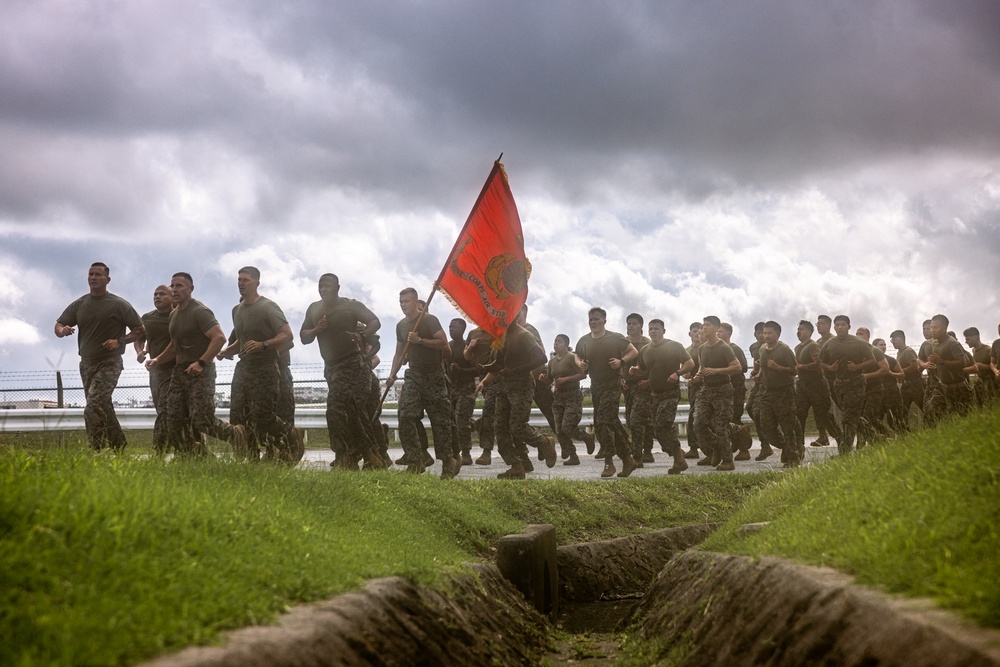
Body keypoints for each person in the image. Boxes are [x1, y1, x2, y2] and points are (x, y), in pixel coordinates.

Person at [146, 272, 247, 456]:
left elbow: (219, 338)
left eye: (179, 286)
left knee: (201, 419)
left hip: (201, 372)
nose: (175, 289)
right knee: (173, 419)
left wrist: (201, 362)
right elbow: (175, 345)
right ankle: (197, 457)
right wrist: (158, 359)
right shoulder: (174, 314)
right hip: (180, 371)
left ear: (190, 289)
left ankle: (235, 434)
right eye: (173, 285)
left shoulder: (200, 311)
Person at [55, 262, 144, 452]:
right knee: (102, 404)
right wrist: (63, 330)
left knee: (93, 404)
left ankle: (97, 449)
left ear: (107, 280)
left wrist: (120, 341)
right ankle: (119, 445)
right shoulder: (80, 304)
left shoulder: (119, 304)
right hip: (86, 364)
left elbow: (139, 330)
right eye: (91, 274)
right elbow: (59, 324)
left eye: (98, 275)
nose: (93, 278)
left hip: (110, 362)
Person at [218, 267, 304, 463]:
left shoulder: (268, 307)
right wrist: (226, 351)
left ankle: (292, 437)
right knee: (238, 416)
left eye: (245, 280)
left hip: (265, 366)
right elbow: (241, 340)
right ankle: (251, 459)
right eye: (239, 280)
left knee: (263, 415)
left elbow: (287, 335)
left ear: (256, 282)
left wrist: (263, 344)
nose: (241, 283)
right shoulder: (237, 310)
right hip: (243, 367)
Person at [300, 273, 384, 470]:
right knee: (353, 413)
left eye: (327, 286)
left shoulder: (350, 305)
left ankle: (344, 457)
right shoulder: (313, 309)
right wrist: (316, 329)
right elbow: (304, 337)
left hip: (352, 363)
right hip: (330, 367)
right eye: (320, 286)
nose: (323, 289)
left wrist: (362, 334)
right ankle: (371, 456)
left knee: (336, 408)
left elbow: (375, 322)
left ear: (337, 287)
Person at [387, 288, 460, 478]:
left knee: (440, 421)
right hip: (414, 374)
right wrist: (392, 374)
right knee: (405, 415)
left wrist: (420, 340)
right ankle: (415, 459)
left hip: (433, 375)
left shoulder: (429, 320)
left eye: (406, 301)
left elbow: (443, 344)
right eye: (400, 302)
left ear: (415, 302)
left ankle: (447, 462)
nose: (403, 305)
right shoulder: (401, 325)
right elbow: (399, 352)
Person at [476, 321, 557, 479]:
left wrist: (517, 370)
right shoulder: (502, 336)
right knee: (500, 428)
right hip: (504, 387)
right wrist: (486, 368)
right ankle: (516, 466)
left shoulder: (523, 335)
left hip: (522, 387)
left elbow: (541, 358)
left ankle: (544, 442)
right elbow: (499, 363)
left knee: (517, 427)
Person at [575, 307, 639, 478]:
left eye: (596, 319)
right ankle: (627, 458)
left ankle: (609, 462)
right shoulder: (584, 340)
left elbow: (633, 351)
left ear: (604, 320)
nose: (593, 322)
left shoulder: (615, 337)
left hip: (612, 384)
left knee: (603, 422)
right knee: (608, 422)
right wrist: (580, 364)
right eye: (590, 319)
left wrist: (621, 361)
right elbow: (577, 356)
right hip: (596, 386)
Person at [630, 319, 694, 474]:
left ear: (663, 331)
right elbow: (644, 369)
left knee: (662, 424)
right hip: (654, 394)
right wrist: (635, 371)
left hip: (670, 393)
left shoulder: (674, 346)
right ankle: (678, 457)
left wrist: (677, 373)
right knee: (659, 430)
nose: (653, 332)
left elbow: (690, 363)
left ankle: (678, 456)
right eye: (651, 329)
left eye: (656, 329)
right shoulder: (645, 350)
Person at [819, 315, 875, 455]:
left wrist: (857, 367)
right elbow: (821, 362)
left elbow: (872, 360)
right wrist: (830, 368)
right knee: (851, 415)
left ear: (849, 327)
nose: (839, 327)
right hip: (839, 384)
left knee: (848, 418)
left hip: (856, 382)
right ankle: (876, 437)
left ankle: (844, 452)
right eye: (837, 325)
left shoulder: (859, 342)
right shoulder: (829, 344)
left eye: (843, 324)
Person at [692, 316, 741, 471]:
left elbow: (737, 367)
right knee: (698, 423)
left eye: (707, 325)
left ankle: (728, 461)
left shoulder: (724, 348)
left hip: (722, 389)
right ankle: (715, 449)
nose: (703, 328)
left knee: (720, 426)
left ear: (716, 328)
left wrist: (715, 371)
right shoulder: (702, 348)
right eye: (703, 325)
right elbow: (702, 366)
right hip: (706, 389)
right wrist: (697, 376)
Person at [135, 284, 174, 453]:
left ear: (172, 297)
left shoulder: (178, 316)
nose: (157, 297)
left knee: (167, 410)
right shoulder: (148, 318)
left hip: (175, 369)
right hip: (155, 371)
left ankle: (159, 452)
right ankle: (195, 451)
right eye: (155, 294)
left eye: (162, 294)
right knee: (162, 410)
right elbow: (139, 336)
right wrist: (140, 351)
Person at [758, 321, 801, 467]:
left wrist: (778, 367)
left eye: (770, 333)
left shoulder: (784, 350)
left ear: (778, 334)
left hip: (785, 392)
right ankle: (787, 447)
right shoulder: (763, 349)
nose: (767, 336)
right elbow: (763, 368)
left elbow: (795, 370)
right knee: (766, 425)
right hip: (768, 392)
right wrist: (758, 374)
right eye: (765, 333)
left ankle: (792, 457)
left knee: (787, 426)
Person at [540, 334, 588, 466]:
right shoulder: (552, 362)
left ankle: (585, 437)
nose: (556, 344)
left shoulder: (572, 357)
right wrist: (544, 379)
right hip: (558, 397)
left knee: (567, 427)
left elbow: (583, 374)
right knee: (559, 429)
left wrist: (566, 379)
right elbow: (550, 380)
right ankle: (573, 455)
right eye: (555, 341)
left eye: (559, 342)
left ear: (566, 345)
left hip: (572, 395)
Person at [794, 319, 841, 453]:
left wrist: (802, 366)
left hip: (817, 385)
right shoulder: (797, 347)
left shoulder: (813, 346)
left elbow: (818, 363)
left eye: (802, 329)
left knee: (824, 415)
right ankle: (799, 445)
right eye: (798, 330)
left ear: (809, 332)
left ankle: (841, 441)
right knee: (799, 414)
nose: (799, 332)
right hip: (803, 385)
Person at [923, 314, 974, 417]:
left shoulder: (952, 343)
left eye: (936, 327)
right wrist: (933, 364)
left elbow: (963, 363)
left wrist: (941, 362)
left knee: (961, 418)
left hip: (958, 389)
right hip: (942, 388)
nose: (932, 330)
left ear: (945, 328)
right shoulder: (936, 343)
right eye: (931, 327)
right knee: (932, 413)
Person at [465, 325, 500, 465]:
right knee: (500, 416)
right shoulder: (473, 333)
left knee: (489, 413)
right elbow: (466, 356)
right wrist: (471, 347)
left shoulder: (497, 332)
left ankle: (486, 452)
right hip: (483, 379)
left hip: (497, 377)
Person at [719, 322, 752, 460]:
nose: (717, 334)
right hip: (724, 390)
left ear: (728, 334)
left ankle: (744, 449)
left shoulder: (734, 349)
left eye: (720, 332)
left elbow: (743, 367)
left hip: (736, 389)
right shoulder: (718, 349)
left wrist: (728, 368)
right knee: (725, 419)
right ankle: (735, 444)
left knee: (735, 419)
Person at [623, 313, 653, 464]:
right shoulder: (623, 343)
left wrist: (648, 380)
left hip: (644, 386)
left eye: (634, 323)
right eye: (629, 323)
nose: (631, 326)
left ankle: (640, 454)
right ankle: (643, 450)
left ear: (641, 326)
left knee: (638, 420)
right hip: (628, 387)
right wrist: (620, 380)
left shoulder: (648, 344)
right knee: (630, 420)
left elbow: (656, 366)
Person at [448, 318, 478, 466]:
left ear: (463, 329)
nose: (451, 329)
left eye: (454, 327)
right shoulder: (448, 347)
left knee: (461, 420)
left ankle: (465, 453)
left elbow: (478, 369)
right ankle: (476, 425)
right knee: (453, 422)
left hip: (466, 389)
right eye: (450, 327)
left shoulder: (468, 347)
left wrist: (461, 370)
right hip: (451, 390)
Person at [855, 327, 891, 446]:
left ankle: (885, 437)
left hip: (875, 389)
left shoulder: (874, 350)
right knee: (861, 418)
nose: (858, 335)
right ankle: (862, 443)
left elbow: (885, 369)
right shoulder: (854, 352)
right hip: (860, 391)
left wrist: (867, 376)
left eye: (862, 334)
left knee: (867, 417)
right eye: (857, 334)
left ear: (868, 337)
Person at [746, 321, 775, 460]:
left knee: (759, 413)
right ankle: (765, 444)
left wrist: (759, 373)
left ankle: (766, 444)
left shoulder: (770, 347)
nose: (762, 336)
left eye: (764, 333)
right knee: (750, 407)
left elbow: (765, 364)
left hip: (770, 383)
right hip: (759, 383)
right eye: (760, 333)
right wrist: (755, 372)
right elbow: (757, 362)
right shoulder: (753, 347)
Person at [890, 330, 923, 430]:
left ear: (902, 339)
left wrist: (900, 372)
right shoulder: (899, 353)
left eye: (894, 340)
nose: (893, 342)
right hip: (905, 386)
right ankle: (905, 433)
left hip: (915, 385)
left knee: (925, 408)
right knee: (902, 410)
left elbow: (914, 367)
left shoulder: (908, 351)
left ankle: (933, 427)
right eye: (892, 341)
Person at [873, 337, 906, 433]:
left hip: (892, 392)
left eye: (884, 345)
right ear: (874, 347)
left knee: (897, 419)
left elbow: (902, 374)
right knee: (877, 419)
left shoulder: (890, 360)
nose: (883, 347)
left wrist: (891, 374)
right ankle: (884, 439)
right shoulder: (871, 361)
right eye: (880, 345)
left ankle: (903, 439)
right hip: (878, 394)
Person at [683, 322, 703, 459]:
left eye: (699, 331)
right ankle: (693, 447)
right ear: (690, 334)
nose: (697, 334)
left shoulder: (705, 348)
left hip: (705, 385)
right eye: (694, 331)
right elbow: (684, 368)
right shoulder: (687, 350)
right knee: (692, 416)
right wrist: (686, 375)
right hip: (692, 387)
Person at [964, 327, 997, 406]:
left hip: (991, 383)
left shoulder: (989, 350)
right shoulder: (974, 350)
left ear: (976, 337)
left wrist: (983, 366)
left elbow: (996, 366)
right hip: (980, 381)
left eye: (968, 339)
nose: (966, 342)